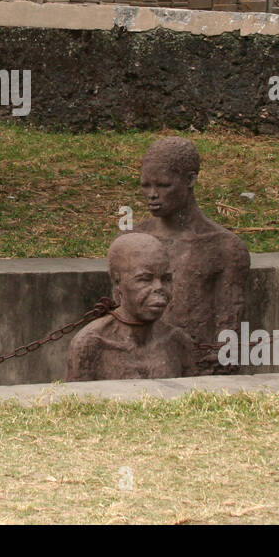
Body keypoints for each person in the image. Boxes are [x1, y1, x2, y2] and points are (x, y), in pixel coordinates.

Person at [135, 137, 249, 373]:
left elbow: (227, 334)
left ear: (190, 180)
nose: (152, 194)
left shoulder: (224, 247)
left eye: (164, 185)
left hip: (197, 370)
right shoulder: (134, 241)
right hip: (138, 366)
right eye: (146, 185)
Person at [66, 233, 200, 381]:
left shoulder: (178, 342)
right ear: (118, 282)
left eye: (166, 279)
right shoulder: (91, 344)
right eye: (144, 279)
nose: (159, 287)